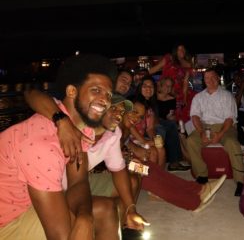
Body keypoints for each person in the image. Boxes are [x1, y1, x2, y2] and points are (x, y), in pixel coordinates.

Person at [0, 54, 117, 239]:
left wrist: (85, 217)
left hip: (29, 202)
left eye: (109, 95)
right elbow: (59, 236)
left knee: (106, 209)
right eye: (96, 90)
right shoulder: (42, 145)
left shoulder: (80, 129)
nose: (105, 99)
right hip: (6, 223)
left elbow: (78, 182)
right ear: (72, 92)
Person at [23, 90, 150, 239]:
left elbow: (120, 166)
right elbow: (31, 94)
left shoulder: (116, 132)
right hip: (59, 187)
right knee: (127, 185)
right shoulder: (78, 125)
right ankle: (108, 224)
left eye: (122, 112)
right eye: (114, 109)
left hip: (86, 177)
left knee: (138, 175)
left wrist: (131, 208)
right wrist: (61, 120)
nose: (119, 114)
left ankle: (124, 223)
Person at [186, 68, 244, 196]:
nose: (210, 80)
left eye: (213, 77)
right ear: (204, 80)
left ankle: (240, 180)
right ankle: (202, 174)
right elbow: (195, 116)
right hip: (205, 126)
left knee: (232, 143)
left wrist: (221, 134)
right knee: (191, 141)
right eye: (207, 78)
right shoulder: (198, 97)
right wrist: (201, 131)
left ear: (218, 78)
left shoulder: (227, 96)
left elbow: (230, 118)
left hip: (225, 126)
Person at [148, 43, 195, 122]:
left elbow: (185, 82)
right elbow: (156, 68)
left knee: (189, 103)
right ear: (175, 51)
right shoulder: (169, 58)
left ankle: (180, 129)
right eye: (179, 49)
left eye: (183, 49)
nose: (182, 51)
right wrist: (143, 77)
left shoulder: (187, 64)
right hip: (165, 88)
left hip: (178, 92)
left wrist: (184, 97)